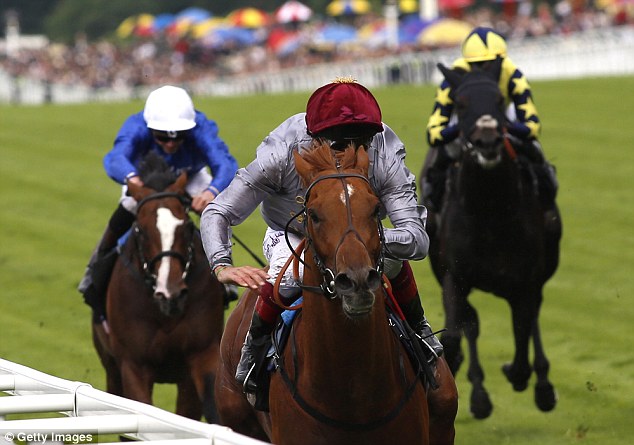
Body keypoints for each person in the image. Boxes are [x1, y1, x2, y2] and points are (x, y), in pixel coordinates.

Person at [200, 77, 443, 395]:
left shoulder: (384, 152)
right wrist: (222, 264)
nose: (352, 152)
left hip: (362, 233)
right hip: (292, 231)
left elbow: (416, 238)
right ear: (314, 138)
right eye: (340, 144)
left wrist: (360, 235)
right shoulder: (282, 154)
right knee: (287, 277)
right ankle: (254, 351)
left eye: (362, 142)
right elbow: (218, 211)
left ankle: (418, 329)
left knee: (393, 262)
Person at [78, 85, 239, 326]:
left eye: (179, 137)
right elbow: (115, 158)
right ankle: (96, 267)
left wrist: (210, 192)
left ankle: (222, 267)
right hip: (145, 179)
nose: (171, 144)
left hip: (189, 176)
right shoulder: (136, 126)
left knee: (217, 210)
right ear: (150, 128)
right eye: (162, 137)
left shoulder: (202, 127)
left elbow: (225, 163)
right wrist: (132, 179)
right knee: (128, 207)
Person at [422, 26, 558, 215]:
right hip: (464, 118)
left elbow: (532, 126)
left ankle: (548, 211)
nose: (485, 70)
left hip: (501, 114)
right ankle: (432, 215)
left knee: (535, 151)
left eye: (491, 63)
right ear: (467, 63)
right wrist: (462, 127)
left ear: (501, 60)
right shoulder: (453, 79)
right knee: (439, 159)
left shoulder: (513, 74)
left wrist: (506, 126)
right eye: (478, 64)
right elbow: (434, 133)